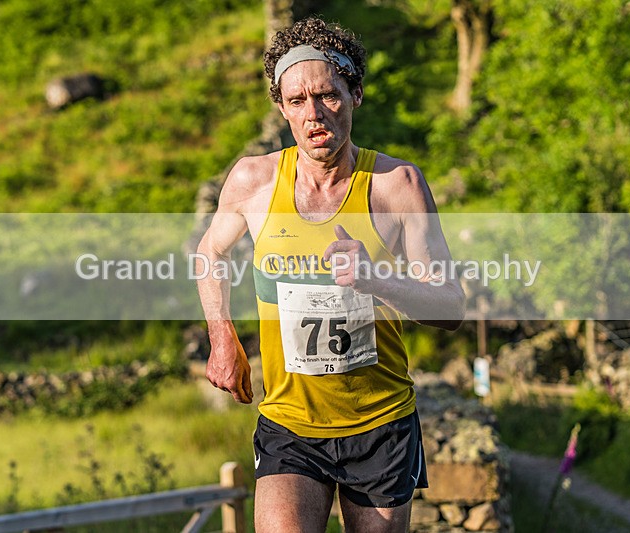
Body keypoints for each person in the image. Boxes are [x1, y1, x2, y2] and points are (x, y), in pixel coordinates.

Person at [196, 17, 465, 533]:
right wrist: (221, 336)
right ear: (281, 108)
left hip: (381, 424)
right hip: (290, 425)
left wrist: (376, 280)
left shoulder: (397, 185)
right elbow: (210, 252)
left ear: (356, 93)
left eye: (327, 95)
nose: (314, 114)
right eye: (297, 101)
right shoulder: (253, 180)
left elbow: (451, 307)